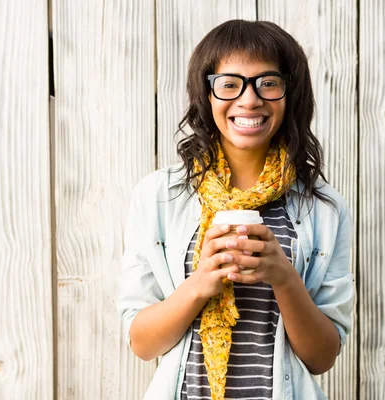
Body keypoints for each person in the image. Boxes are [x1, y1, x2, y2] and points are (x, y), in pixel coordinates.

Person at [117, 19, 354, 400]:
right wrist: (198, 285)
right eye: (229, 83)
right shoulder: (158, 195)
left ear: (290, 93)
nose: (249, 100)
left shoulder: (324, 208)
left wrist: (284, 277)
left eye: (268, 82)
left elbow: (322, 357)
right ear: (206, 93)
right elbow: (142, 343)